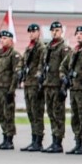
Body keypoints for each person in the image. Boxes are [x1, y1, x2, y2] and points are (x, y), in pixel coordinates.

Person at [61, 26, 82, 154]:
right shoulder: (73, 52)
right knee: (75, 117)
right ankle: (77, 141)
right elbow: (63, 67)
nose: (79, 36)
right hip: (74, 89)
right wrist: (63, 77)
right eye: (78, 34)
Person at [42, 21, 71, 153]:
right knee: (51, 114)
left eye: (57, 30)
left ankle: (58, 142)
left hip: (57, 85)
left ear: (61, 31)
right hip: (48, 84)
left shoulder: (64, 48)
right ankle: (54, 139)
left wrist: (64, 87)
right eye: (53, 30)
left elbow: (67, 68)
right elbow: (43, 66)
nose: (55, 32)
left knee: (58, 114)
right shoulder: (48, 47)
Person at [18, 23, 47, 152]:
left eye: (33, 31)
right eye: (29, 32)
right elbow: (22, 62)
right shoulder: (29, 48)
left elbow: (42, 64)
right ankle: (33, 138)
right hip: (28, 83)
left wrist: (40, 80)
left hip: (36, 84)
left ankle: (38, 140)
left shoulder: (41, 48)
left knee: (37, 113)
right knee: (31, 113)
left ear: (38, 33)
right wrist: (19, 71)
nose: (31, 34)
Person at [0, 30, 22, 150]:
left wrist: (11, 90)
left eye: (5, 38)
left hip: (7, 89)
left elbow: (16, 74)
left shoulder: (14, 54)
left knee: (8, 114)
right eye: (1, 38)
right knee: (0, 114)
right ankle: (4, 136)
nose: (2, 40)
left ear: (11, 40)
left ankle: (9, 139)